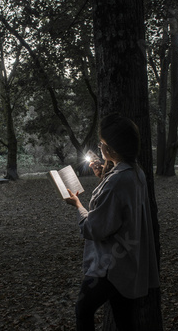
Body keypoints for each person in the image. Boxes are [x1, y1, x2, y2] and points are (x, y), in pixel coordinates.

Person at [65, 113, 160, 330]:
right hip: (128, 262)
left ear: (111, 150)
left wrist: (78, 205)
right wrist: (103, 174)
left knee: (83, 309)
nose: (100, 147)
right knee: (124, 318)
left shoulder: (117, 181)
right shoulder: (135, 172)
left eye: (102, 144)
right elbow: (120, 204)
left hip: (110, 266)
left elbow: (94, 228)